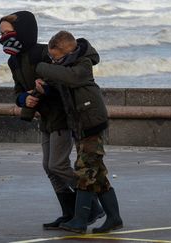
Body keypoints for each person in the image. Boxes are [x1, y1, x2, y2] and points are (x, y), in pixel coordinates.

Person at [0, 12, 104, 230]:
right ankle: (68, 212)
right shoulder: (13, 60)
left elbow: (65, 80)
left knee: (57, 164)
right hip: (45, 119)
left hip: (62, 116)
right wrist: (22, 98)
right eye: (0, 34)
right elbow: (18, 90)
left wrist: (45, 88)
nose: (3, 37)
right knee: (48, 167)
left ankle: (91, 204)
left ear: (24, 32)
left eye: (7, 33)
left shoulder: (43, 53)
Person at [35, 30, 123, 233]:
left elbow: (72, 79)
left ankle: (80, 220)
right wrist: (43, 87)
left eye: (55, 57)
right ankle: (114, 217)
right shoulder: (65, 65)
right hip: (80, 124)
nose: (53, 62)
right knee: (97, 173)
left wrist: (42, 68)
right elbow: (59, 83)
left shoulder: (83, 63)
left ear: (65, 50)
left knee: (85, 170)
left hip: (91, 123)